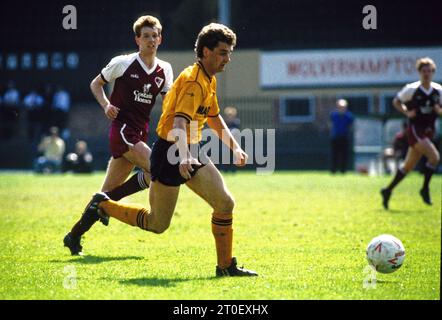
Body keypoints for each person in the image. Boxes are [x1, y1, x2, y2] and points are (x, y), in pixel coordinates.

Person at [73, 23, 257, 277]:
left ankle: (225, 267)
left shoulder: (207, 79)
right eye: (223, 52)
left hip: (188, 150)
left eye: (229, 52)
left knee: (225, 203)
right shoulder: (193, 81)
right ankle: (105, 205)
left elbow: (213, 117)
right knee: (157, 224)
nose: (228, 58)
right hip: (173, 153)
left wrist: (235, 147)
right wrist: (183, 155)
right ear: (206, 51)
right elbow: (179, 121)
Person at [64, 15, 173, 253]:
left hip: (140, 133)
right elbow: (96, 84)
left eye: (155, 36)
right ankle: (108, 205)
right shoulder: (123, 63)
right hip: (123, 130)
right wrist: (105, 105)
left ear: (160, 39)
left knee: (106, 195)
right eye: (146, 36)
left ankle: (74, 235)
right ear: (137, 39)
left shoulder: (165, 69)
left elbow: (168, 104)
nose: (151, 40)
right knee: (158, 168)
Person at [381, 57, 442, 209]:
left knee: (407, 167)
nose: (426, 73)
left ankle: (387, 190)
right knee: (434, 157)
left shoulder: (438, 91)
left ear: (433, 72)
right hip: (415, 130)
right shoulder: (411, 89)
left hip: (428, 131)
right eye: (423, 71)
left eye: (429, 71)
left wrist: (439, 111)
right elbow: (396, 101)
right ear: (419, 72)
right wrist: (406, 112)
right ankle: (424, 189)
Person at [330, 99, 354, 173]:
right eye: (340, 106)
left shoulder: (349, 116)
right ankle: (333, 170)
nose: (342, 108)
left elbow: (351, 126)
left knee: (344, 155)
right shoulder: (334, 115)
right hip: (335, 137)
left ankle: (343, 170)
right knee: (335, 154)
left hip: (344, 137)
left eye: (343, 106)